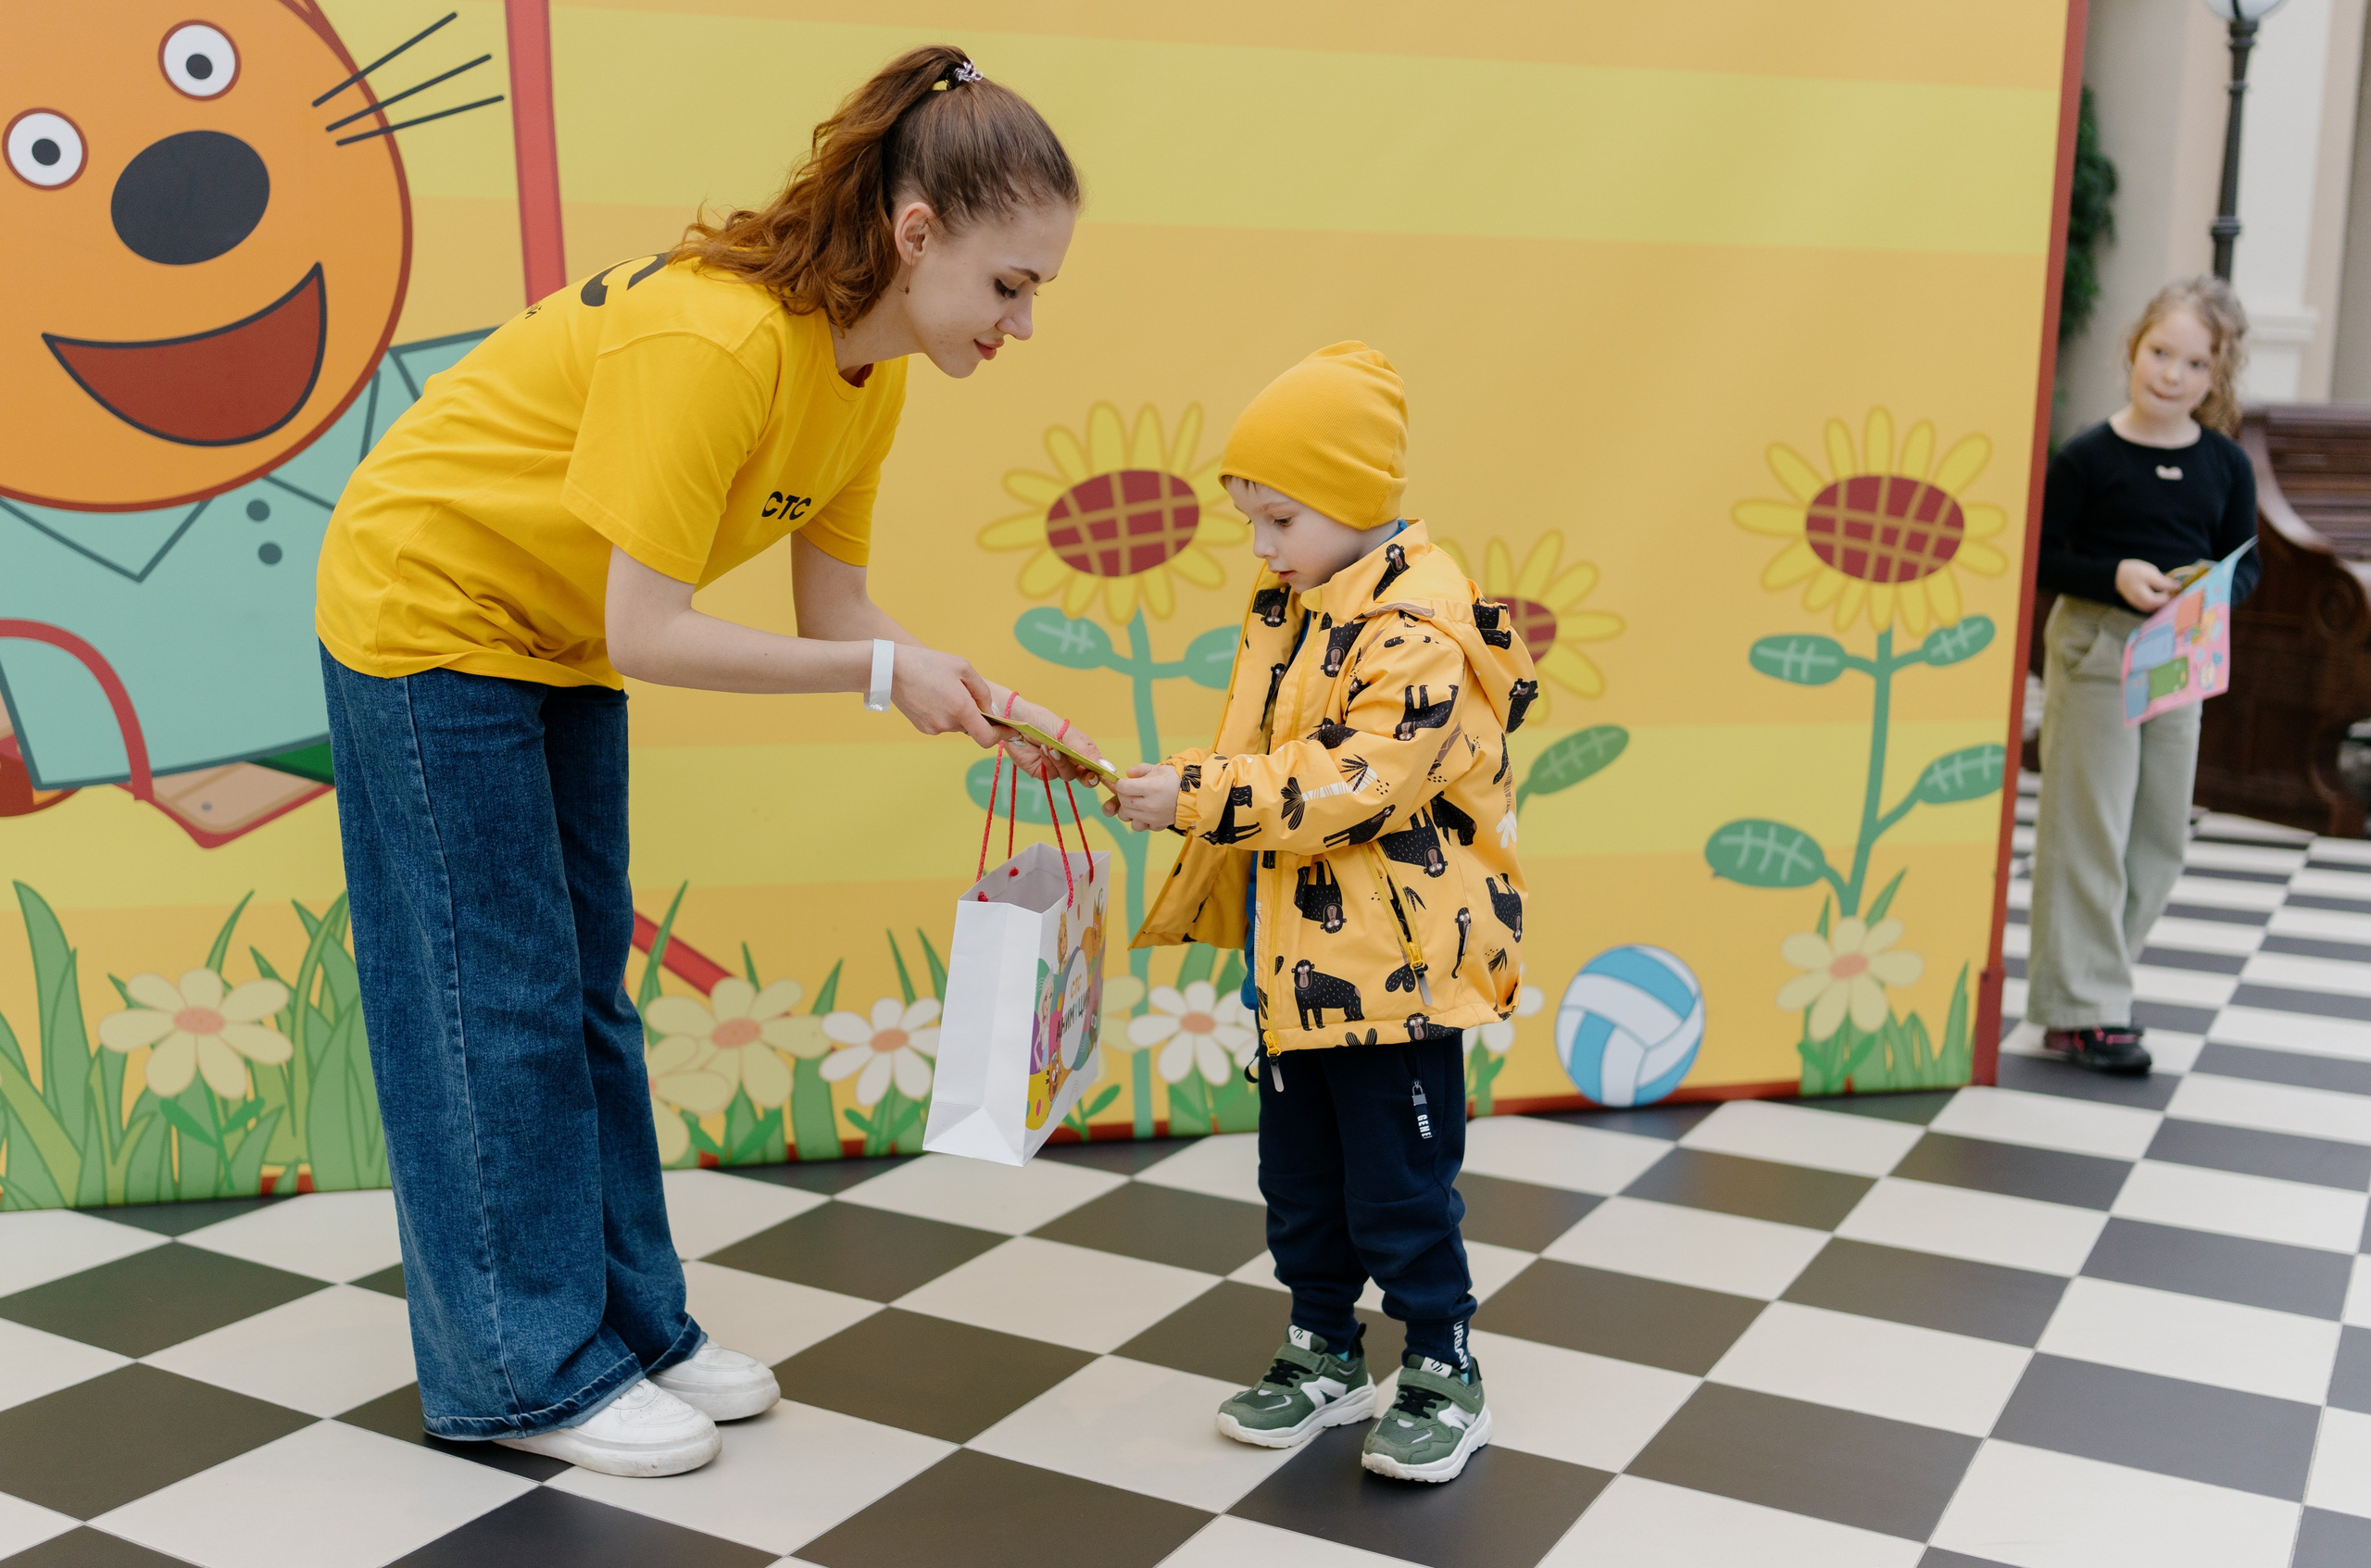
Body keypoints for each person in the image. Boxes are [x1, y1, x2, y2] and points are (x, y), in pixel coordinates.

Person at [312, 46, 1099, 1477]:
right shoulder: (721, 341)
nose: (1025, 321)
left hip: (547, 638)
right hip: (427, 613)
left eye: (1038, 289)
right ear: (918, 234)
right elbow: (654, 628)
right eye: (1012, 283)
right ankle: (522, 1367)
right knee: (495, 1004)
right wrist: (881, 676)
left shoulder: (868, 378)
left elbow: (838, 617)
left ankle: (627, 1322)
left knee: (583, 996)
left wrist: (975, 693)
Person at [1108, 344, 1536, 1484]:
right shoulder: (1298, 601)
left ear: (1349, 503)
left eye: (1278, 518)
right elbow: (1267, 751)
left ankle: (1443, 1363)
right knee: (1298, 1177)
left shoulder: (1420, 631)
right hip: (1295, 959)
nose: (1260, 544)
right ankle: (1323, 1348)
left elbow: (1349, 782)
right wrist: (1187, 778)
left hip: (1392, 974)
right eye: (1252, 518)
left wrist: (1193, 796)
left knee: (1399, 1179)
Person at [2029, 276, 2259, 1074]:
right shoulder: (2088, 457)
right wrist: (2115, 575)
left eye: (2194, 364)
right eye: (2160, 352)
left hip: (2181, 651)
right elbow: (2046, 558)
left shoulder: (2226, 465)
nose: (2171, 374)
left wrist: (2210, 587)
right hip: (2099, 644)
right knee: (2089, 827)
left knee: (2157, 835)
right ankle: (2086, 1008)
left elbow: (2248, 565)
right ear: (2133, 349)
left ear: (2214, 379)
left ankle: (2094, 984)